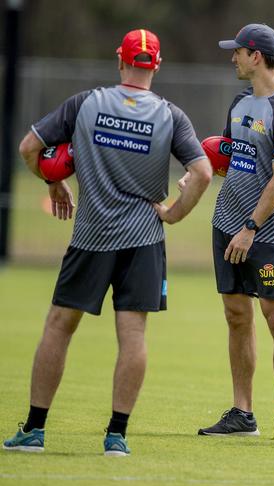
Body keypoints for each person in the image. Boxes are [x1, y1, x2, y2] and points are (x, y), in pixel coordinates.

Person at [2, 29, 212, 456]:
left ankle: (35, 430)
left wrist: (53, 179)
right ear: (157, 65)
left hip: (92, 235)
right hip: (144, 239)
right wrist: (172, 213)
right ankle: (116, 436)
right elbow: (204, 172)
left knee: (59, 326)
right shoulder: (171, 114)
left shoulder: (86, 103)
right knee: (133, 333)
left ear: (121, 59)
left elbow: (29, 148)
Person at [197, 24, 274, 440]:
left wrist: (250, 228)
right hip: (226, 223)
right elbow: (232, 157)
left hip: (265, 232)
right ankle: (242, 413)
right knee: (236, 315)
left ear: (256, 56)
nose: (233, 59)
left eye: (238, 52)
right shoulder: (241, 101)